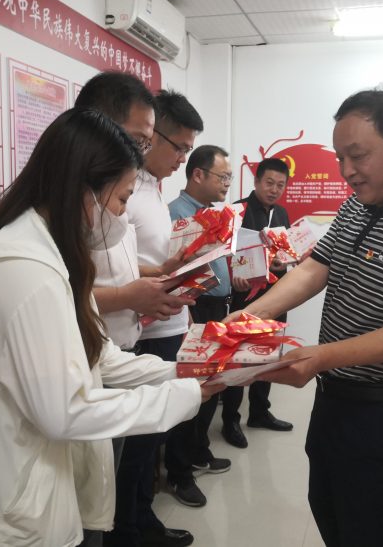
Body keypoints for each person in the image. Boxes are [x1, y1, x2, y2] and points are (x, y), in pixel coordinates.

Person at [0, 110, 222, 547]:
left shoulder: (48, 260)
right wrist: (186, 394)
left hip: (19, 486)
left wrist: (187, 371)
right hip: (9, 514)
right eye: (121, 199)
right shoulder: (28, 273)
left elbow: (100, 359)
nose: (122, 216)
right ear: (84, 191)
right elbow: (67, 411)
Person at [228, 88, 383, 547]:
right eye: (340, 158)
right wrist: (246, 316)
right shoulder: (357, 206)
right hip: (335, 399)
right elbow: (313, 269)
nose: (346, 171)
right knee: (330, 512)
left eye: (357, 155)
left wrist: (318, 357)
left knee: (373, 529)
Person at [75, 72, 194, 547]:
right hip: (92, 358)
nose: (141, 151)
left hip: (116, 349)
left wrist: (160, 271)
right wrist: (129, 296)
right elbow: (70, 290)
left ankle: (131, 528)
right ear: (98, 126)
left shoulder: (132, 190)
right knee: (98, 490)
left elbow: (115, 269)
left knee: (123, 467)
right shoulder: (73, 204)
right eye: (138, 139)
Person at [105, 91, 217, 547]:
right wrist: (143, 288)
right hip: (133, 335)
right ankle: (126, 530)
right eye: (179, 147)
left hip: (157, 323)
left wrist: (173, 272)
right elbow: (94, 275)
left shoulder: (150, 189)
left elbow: (131, 264)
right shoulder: (120, 190)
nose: (182, 158)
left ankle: (140, 521)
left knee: (148, 442)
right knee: (132, 446)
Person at [168, 145, 235, 503]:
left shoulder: (212, 215)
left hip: (218, 306)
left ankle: (198, 451)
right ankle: (179, 473)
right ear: (198, 174)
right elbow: (177, 273)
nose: (227, 183)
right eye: (222, 176)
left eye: (229, 177)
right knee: (191, 389)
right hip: (196, 308)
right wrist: (188, 314)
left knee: (212, 385)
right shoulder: (178, 215)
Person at [221, 157, 294, 449]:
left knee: (269, 356)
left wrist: (283, 262)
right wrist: (233, 276)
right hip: (244, 298)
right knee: (240, 360)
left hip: (277, 295)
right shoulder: (237, 211)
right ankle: (230, 419)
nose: (274, 190)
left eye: (280, 185)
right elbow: (223, 254)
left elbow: (287, 254)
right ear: (256, 181)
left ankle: (259, 412)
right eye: (269, 183)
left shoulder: (283, 213)